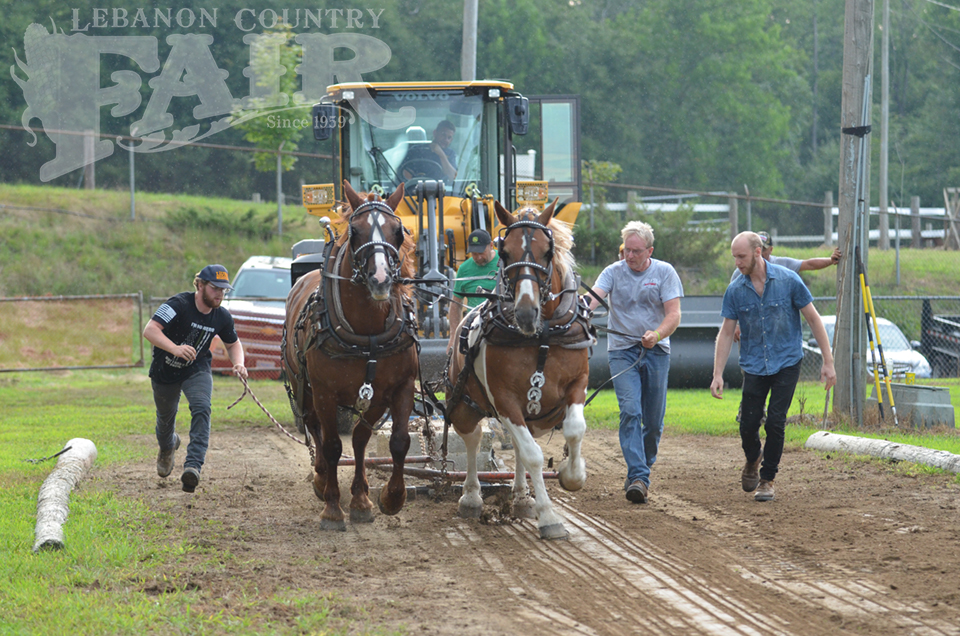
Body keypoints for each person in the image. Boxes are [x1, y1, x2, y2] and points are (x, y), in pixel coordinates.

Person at [711, 232, 836, 502]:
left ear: (758, 252)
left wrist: (828, 361)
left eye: (741, 256)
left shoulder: (789, 280)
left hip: (787, 360)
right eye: (734, 257)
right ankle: (753, 457)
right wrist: (717, 374)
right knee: (748, 424)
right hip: (754, 363)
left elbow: (814, 320)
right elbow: (725, 332)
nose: (737, 263)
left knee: (776, 422)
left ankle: (767, 480)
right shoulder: (735, 289)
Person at [586, 221, 683, 504]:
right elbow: (591, 300)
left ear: (649, 250)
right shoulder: (612, 273)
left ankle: (641, 468)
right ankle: (639, 476)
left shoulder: (665, 272)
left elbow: (674, 314)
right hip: (622, 352)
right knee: (630, 410)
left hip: (656, 351)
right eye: (627, 250)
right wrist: (575, 308)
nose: (629, 256)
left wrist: (657, 333)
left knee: (653, 423)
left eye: (636, 251)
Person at [143, 264, 247, 493]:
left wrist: (239, 363)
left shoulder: (222, 316)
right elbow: (150, 330)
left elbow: (233, 343)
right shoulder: (177, 305)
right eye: (214, 288)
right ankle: (168, 445)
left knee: (202, 408)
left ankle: (193, 467)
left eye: (224, 290)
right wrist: (175, 348)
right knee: (164, 421)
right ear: (199, 285)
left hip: (196, 369)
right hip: (165, 371)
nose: (219, 294)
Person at [447, 229, 499, 354]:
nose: (478, 257)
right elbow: (456, 303)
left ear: (491, 246)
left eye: (481, 252)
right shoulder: (464, 269)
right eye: (474, 254)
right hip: (475, 326)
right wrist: (453, 335)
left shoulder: (504, 261)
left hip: (500, 322)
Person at [730, 231, 841, 283]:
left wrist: (831, 260)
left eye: (764, 249)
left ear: (771, 249)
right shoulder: (740, 272)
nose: (760, 253)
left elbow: (809, 264)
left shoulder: (782, 265)